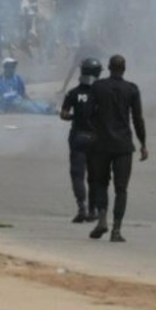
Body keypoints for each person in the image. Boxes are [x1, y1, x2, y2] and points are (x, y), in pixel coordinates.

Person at [88, 55, 148, 242]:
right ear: (124, 69)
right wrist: (143, 143)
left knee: (100, 183)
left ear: (108, 67)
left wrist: (95, 129)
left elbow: (88, 113)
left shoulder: (97, 87)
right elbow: (137, 119)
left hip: (101, 144)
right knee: (121, 189)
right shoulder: (131, 89)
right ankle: (116, 230)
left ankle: (102, 219)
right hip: (123, 146)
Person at [60, 58, 102, 223]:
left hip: (78, 137)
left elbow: (63, 114)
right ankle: (94, 210)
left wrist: (74, 116)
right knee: (95, 176)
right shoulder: (101, 94)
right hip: (96, 138)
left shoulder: (73, 93)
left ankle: (81, 208)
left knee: (78, 175)